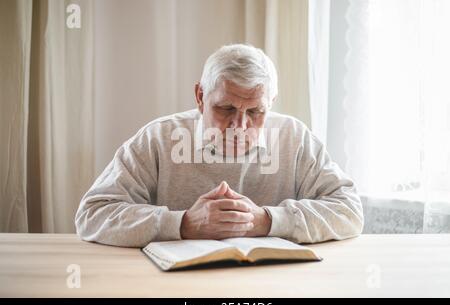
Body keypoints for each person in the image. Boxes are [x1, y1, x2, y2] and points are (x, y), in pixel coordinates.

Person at [75, 44, 364, 247]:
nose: (240, 126)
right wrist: (183, 223)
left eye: (255, 112)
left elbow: (349, 210)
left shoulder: (294, 137)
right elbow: (92, 214)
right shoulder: (159, 138)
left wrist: (267, 220)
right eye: (226, 109)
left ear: (271, 104)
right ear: (200, 96)